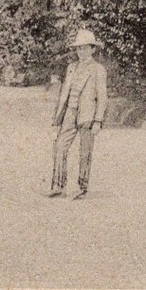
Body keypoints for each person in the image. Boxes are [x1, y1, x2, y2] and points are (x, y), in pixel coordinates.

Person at [50, 29, 108, 199]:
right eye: (78, 48)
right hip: (70, 112)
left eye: (85, 48)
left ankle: (82, 186)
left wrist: (98, 120)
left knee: (85, 151)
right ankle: (58, 185)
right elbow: (64, 94)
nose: (81, 51)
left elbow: (102, 97)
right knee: (60, 145)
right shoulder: (71, 68)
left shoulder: (98, 69)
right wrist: (58, 116)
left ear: (92, 49)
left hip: (87, 115)